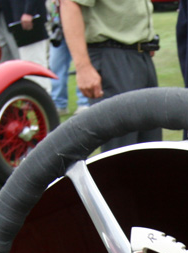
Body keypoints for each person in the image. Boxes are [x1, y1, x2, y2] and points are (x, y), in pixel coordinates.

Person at [60, 0, 160, 148]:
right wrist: (83, 67)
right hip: (112, 56)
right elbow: (69, 4)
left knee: (152, 150)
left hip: (140, 55)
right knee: (121, 150)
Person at [0, 0, 50, 90]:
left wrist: (29, 11)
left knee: (34, 67)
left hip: (23, 15)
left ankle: (42, 102)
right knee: (2, 73)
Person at [48, 0, 88, 115]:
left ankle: (84, 103)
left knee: (82, 64)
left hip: (79, 26)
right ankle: (58, 104)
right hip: (59, 28)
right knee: (56, 66)